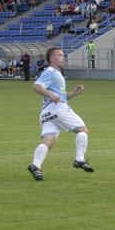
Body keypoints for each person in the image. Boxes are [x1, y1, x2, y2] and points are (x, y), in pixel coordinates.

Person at [27, 47, 94, 181]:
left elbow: (60, 96)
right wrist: (50, 93)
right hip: (57, 109)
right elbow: (36, 86)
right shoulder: (51, 72)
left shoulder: (57, 74)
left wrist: (74, 93)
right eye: (60, 55)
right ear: (52, 58)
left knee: (49, 141)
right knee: (82, 130)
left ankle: (35, 165)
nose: (63, 57)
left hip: (47, 112)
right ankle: (79, 159)